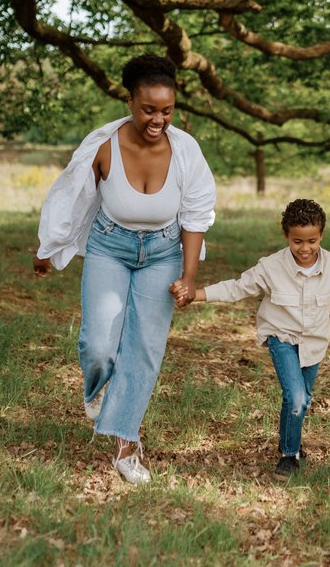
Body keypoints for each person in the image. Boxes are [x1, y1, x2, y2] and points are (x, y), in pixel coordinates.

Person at [33, 54, 216, 485]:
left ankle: (126, 444)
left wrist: (188, 278)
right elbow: (73, 199)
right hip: (109, 247)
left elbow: (196, 214)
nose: (158, 119)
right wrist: (49, 247)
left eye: (167, 110)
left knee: (144, 349)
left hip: (164, 252)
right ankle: (97, 391)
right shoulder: (103, 145)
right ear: (130, 100)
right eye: (149, 109)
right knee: (99, 344)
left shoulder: (186, 150)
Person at [171, 199, 330, 479]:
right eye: (297, 241)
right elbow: (237, 288)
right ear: (286, 236)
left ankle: (288, 442)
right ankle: (289, 455)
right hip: (281, 337)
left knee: (301, 399)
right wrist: (198, 294)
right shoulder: (270, 267)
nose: (305, 248)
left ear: (321, 236)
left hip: (314, 343)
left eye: (312, 241)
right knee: (296, 397)